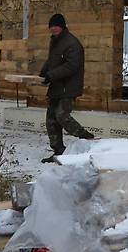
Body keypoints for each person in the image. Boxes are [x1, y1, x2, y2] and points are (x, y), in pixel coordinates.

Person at [39, 12, 95, 162]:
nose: (54, 29)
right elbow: (52, 60)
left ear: (62, 27)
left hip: (68, 87)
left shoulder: (73, 44)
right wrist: (44, 73)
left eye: (56, 27)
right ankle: (58, 151)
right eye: (52, 27)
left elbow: (71, 66)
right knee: (51, 120)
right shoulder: (55, 41)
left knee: (61, 116)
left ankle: (86, 137)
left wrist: (52, 75)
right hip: (56, 87)